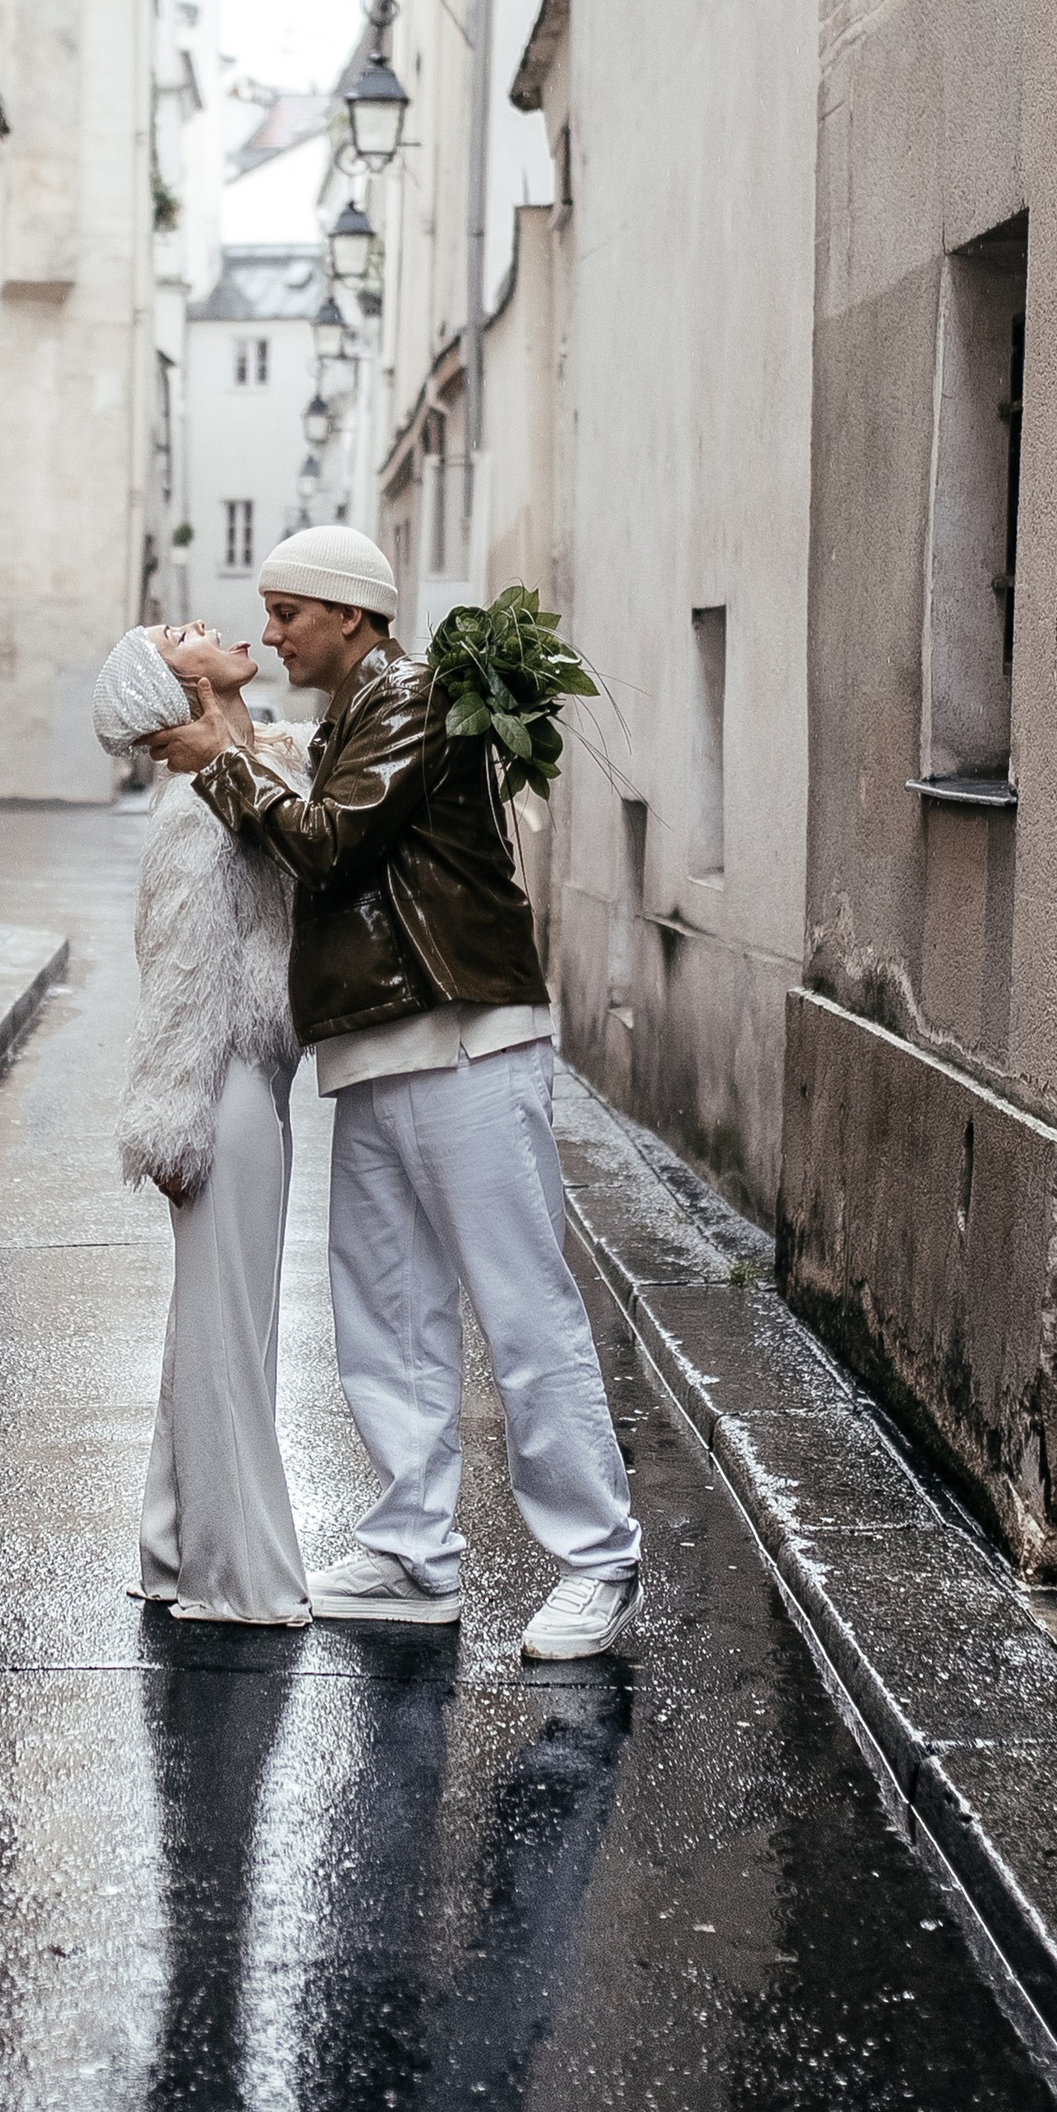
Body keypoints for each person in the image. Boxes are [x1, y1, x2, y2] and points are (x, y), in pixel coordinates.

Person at [147, 526, 644, 1665]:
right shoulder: (346, 719)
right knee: (386, 1310)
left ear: (352, 616)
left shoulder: (411, 699)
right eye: (266, 613)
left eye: (287, 613)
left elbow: (329, 846)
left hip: (462, 1034)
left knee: (520, 1307)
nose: (269, 633)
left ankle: (598, 1557)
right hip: (377, 1045)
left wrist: (216, 762)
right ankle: (413, 1553)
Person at [93, 621, 311, 1630]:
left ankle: (177, 1548)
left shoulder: (252, 766)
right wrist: (173, 1131)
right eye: (182, 635)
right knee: (227, 1338)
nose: (213, 627)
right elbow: (179, 985)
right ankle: (237, 1578)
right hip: (222, 1089)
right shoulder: (193, 806)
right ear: (177, 686)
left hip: (255, 1078)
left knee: (219, 1330)